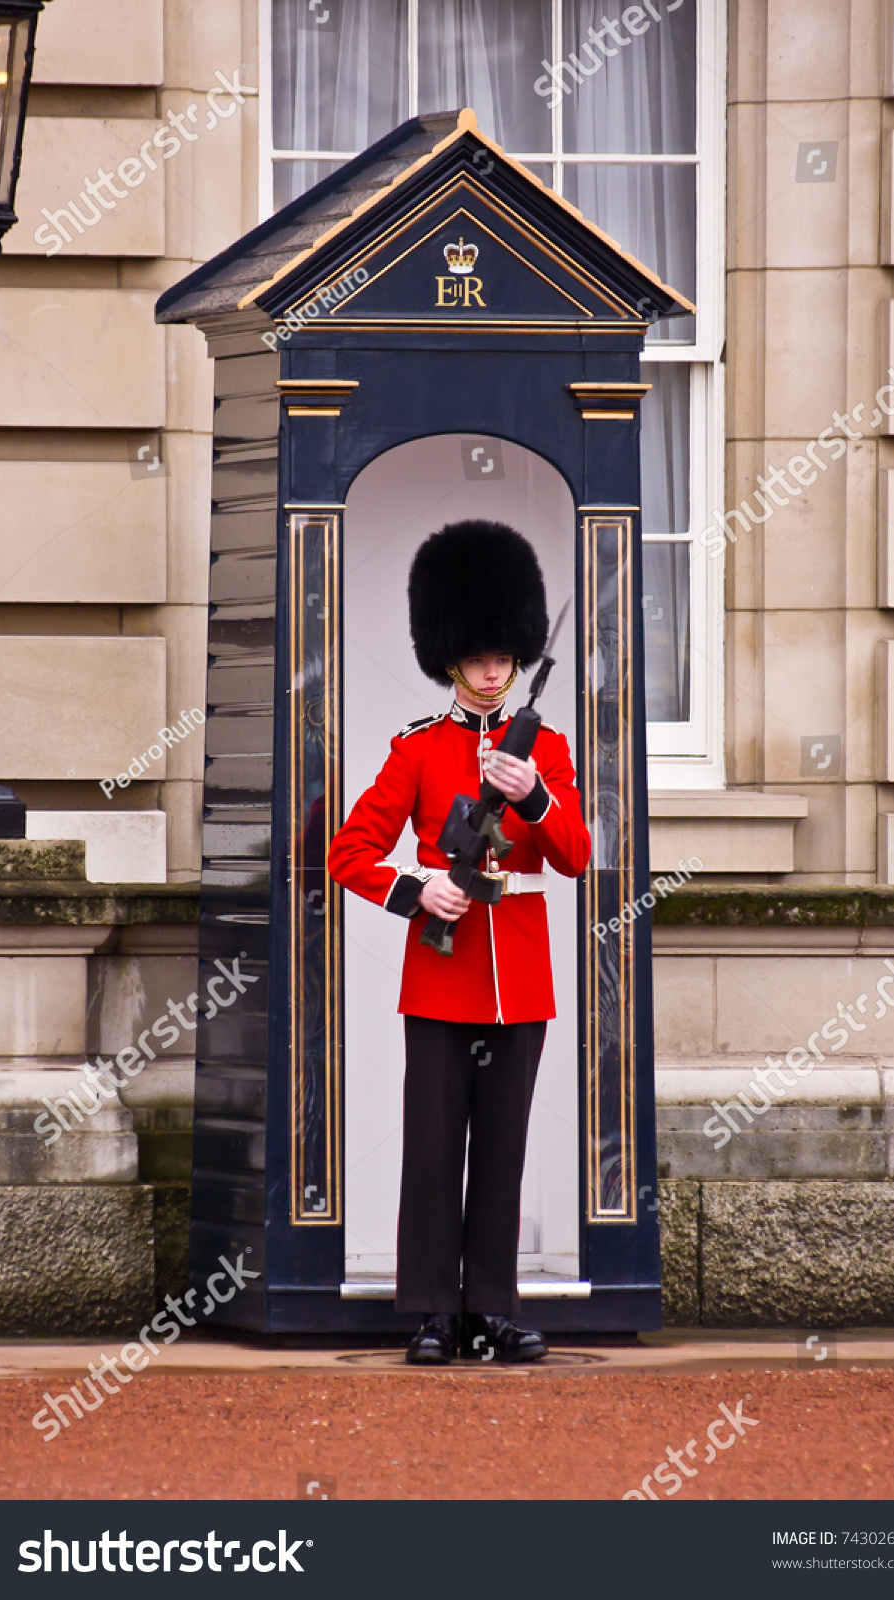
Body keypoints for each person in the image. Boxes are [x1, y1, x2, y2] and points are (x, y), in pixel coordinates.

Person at [328, 520, 591, 1364]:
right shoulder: (418, 749)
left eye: (501, 654)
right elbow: (348, 852)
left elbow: (578, 857)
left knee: (504, 1149)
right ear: (449, 657)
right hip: (442, 975)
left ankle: (490, 1308)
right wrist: (417, 890)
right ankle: (434, 1311)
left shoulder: (545, 749)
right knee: (435, 1149)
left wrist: (537, 800)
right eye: (475, 654)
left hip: (517, 973)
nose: (490, 668)